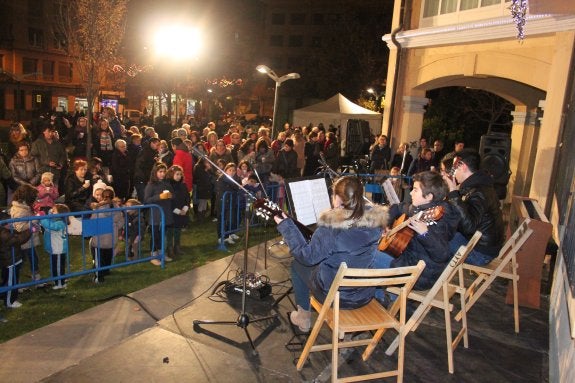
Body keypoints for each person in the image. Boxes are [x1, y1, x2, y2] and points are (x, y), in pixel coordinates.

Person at [273, 176, 389, 332]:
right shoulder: (376, 221)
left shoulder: (332, 226)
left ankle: (303, 318)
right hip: (364, 294)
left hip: (335, 296)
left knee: (297, 264)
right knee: (333, 259)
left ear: (338, 199)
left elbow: (307, 257)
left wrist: (286, 226)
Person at [373, 171, 460, 292]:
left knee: (367, 254)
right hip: (410, 261)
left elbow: (442, 254)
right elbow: (398, 207)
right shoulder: (421, 208)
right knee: (375, 249)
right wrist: (386, 225)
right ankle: (384, 294)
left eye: (415, 190)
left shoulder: (439, 219)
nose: (411, 192)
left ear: (429, 196)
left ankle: (383, 296)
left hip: (421, 275)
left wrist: (425, 233)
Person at [443, 149, 505, 265]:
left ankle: (431, 279)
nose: (453, 173)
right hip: (480, 244)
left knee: (434, 240)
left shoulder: (479, 191)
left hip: (481, 253)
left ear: (462, 166)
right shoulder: (478, 185)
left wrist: (452, 192)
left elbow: (468, 226)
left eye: (454, 169)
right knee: (440, 232)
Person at [89, 188, 124, 283]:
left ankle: (98, 276)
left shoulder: (98, 210)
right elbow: (121, 223)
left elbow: (92, 222)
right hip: (111, 239)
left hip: (99, 239)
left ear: (102, 197)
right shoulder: (118, 209)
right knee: (108, 256)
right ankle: (106, 270)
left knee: (99, 258)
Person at [144, 162, 174, 266]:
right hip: (155, 215)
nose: (162, 174)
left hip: (165, 213)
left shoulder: (167, 184)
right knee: (155, 235)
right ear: (155, 172)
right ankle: (153, 255)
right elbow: (147, 200)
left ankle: (162, 253)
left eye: (164, 171)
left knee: (163, 235)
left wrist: (170, 196)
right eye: (160, 172)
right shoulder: (151, 185)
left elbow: (172, 195)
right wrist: (159, 197)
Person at [0, 217, 32, 308]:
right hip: (10, 261)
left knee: (9, 280)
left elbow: (17, 235)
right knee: (11, 282)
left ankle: (4, 295)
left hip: (12, 259)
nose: (11, 223)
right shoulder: (3, 233)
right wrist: (30, 230)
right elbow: (18, 240)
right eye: (8, 222)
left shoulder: (6, 231)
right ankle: (10, 301)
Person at [40, 203, 70, 290]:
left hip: (58, 249)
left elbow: (51, 226)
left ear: (60, 214)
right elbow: (49, 223)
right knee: (55, 266)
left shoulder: (60, 223)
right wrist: (48, 213)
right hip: (55, 249)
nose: (52, 212)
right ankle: (58, 281)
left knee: (58, 267)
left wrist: (42, 218)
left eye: (54, 211)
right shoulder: (54, 220)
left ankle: (60, 283)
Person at [166, 165, 190, 258]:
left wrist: (185, 208)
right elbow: (168, 201)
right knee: (170, 231)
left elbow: (187, 197)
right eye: (177, 174)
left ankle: (177, 246)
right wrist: (176, 211)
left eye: (180, 174)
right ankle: (170, 248)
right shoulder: (168, 186)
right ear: (171, 174)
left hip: (182, 211)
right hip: (172, 212)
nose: (179, 176)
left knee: (178, 230)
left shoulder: (183, 185)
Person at [215, 163, 241, 245]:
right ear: (226, 170)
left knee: (230, 219)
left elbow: (238, 188)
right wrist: (235, 188)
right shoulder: (222, 179)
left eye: (233, 170)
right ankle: (221, 237)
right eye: (230, 170)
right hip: (223, 203)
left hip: (231, 202)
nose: (232, 172)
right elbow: (229, 189)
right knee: (222, 220)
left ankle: (228, 234)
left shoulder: (235, 179)